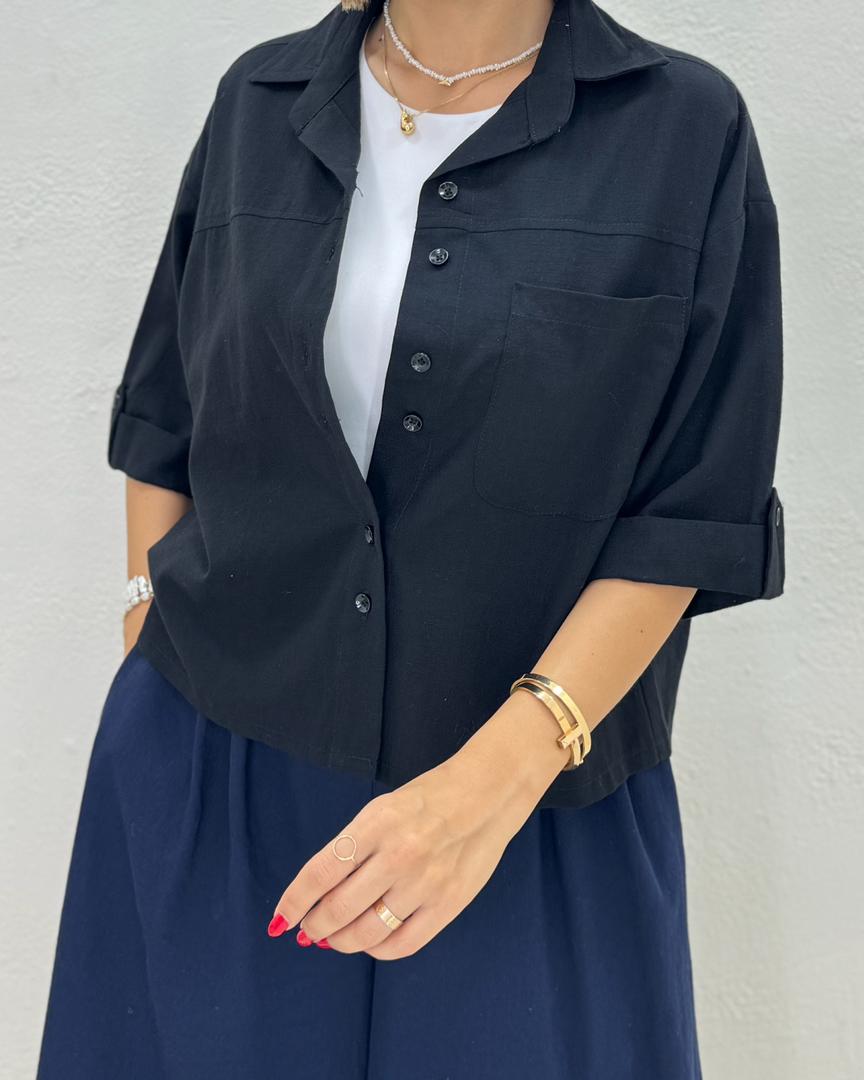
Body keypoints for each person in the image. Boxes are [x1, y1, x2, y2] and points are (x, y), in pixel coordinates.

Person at [38, 0, 785, 1076]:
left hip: (533, 806)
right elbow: (166, 417)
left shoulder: (683, 128)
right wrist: (146, 631)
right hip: (217, 779)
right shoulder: (260, 101)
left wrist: (493, 786)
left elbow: (689, 511)